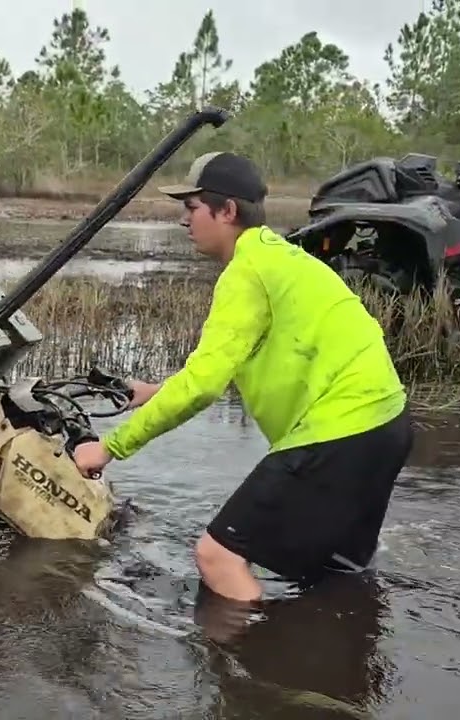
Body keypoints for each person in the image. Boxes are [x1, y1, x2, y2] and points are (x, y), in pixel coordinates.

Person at [71, 151, 415, 604]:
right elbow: (237, 365)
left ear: (227, 211)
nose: (183, 221)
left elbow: (204, 385)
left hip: (340, 429)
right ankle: (336, 657)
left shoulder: (245, 273)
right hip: (387, 426)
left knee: (218, 556)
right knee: (339, 571)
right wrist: (157, 393)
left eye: (192, 208)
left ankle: (252, 666)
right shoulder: (281, 258)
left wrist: (111, 447)